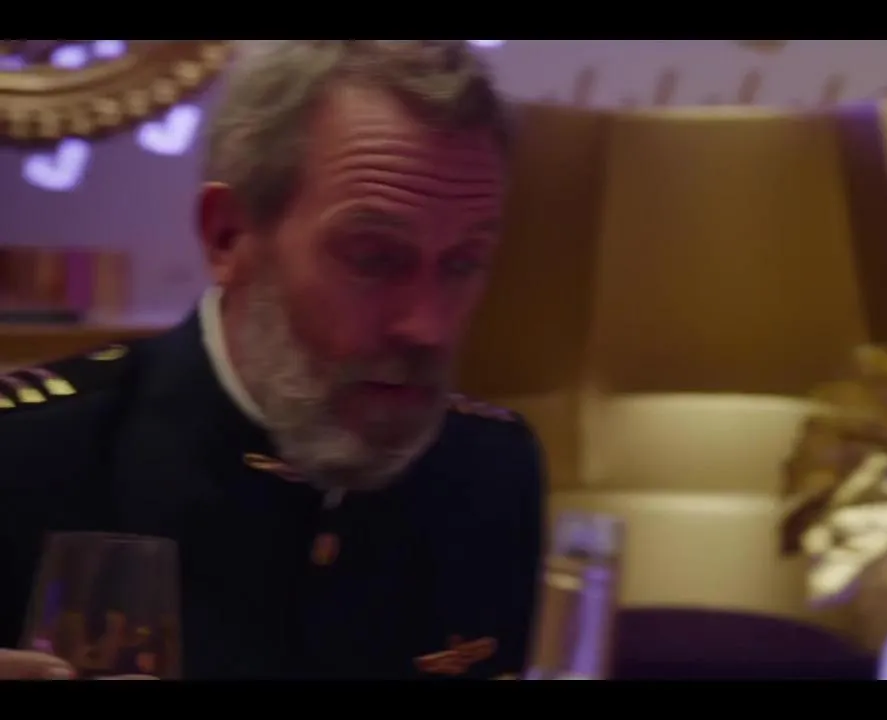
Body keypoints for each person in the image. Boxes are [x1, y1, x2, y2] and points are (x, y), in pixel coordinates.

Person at [0, 40, 544, 680]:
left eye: (463, 264)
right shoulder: (29, 456)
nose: (428, 327)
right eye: (373, 258)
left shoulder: (490, 471)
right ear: (228, 236)